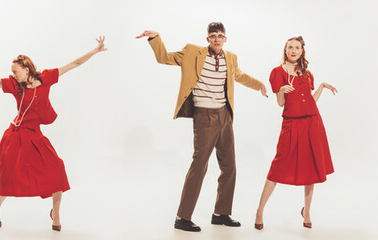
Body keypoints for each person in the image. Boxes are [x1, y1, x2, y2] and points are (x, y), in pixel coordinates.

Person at [0, 36, 107, 231]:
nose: (13, 74)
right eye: (12, 72)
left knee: (57, 169)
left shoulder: (46, 78)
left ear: (26, 70)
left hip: (35, 135)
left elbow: (74, 64)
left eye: (15, 71)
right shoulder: (14, 85)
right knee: (8, 177)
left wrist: (95, 51)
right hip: (16, 136)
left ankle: (56, 214)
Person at [136, 22, 268, 232]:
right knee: (199, 165)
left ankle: (221, 213)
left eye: (220, 36)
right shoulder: (192, 52)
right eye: (213, 35)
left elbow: (239, 75)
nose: (217, 39)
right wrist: (155, 38)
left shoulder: (230, 57)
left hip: (225, 115)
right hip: (204, 116)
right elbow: (165, 58)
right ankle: (182, 218)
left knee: (229, 166)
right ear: (207, 39)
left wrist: (259, 84)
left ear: (225, 39)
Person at [253, 36, 336, 230]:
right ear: (285, 50)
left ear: (301, 51)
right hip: (291, 123)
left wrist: (321, 87)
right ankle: (259, 211)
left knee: (311, 166)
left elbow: (310, 100)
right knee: (277, 165)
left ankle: (306, 212)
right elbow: (280, 103)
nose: (293, 50)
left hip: (312, 122)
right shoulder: (277, 72)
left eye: (297, 47)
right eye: (290, 47)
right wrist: (282, 90)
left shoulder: (307, 73)